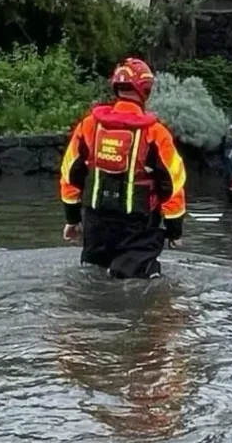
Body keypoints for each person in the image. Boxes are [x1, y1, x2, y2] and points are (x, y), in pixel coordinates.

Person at [59, 58, 186, 279]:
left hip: (96, 223)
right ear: (145, 90)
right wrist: (174, 230)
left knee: (93, 277)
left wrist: (72, 220)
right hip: (138, 226)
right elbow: (173, 185)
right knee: (139, 279)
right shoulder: (155, 133)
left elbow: (70, 175)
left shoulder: (89, 125)